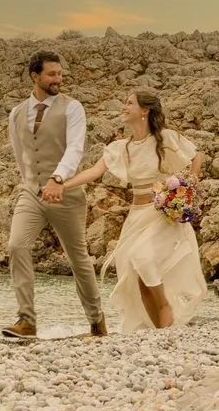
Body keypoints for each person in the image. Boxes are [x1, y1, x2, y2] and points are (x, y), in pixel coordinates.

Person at [61, 88, 207, 332]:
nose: (124, 107)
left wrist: (189, 187)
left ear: (144, 110)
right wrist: (63, 185)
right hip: (136, 216)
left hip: (161, 214)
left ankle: (166, 311)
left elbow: (196, 156)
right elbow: (94, 172)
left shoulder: (166, 138)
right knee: (135, 273)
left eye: (130, 103)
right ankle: (159, 329)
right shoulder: (121, 147)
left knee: (143, 257)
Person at [1, 51, 106, 339]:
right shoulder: (16, 113)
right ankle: (26, 321)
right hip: (31, 193)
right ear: (35, 76)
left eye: (60, 73)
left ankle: (97, 321)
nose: (58, 79)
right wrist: (31, 183)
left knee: (78, 259)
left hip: (66, 193)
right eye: (51, 74)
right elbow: (20, 154)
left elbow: (75, 148)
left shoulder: (73, 108)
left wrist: (58, 178)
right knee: (17, 245)